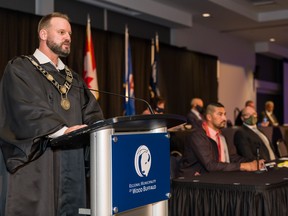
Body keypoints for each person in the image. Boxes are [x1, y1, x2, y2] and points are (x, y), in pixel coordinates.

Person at [0, 12, 104, 216]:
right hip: (37, 163)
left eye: (70, 34)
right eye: (62, 32)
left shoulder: (73, 79)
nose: (68, 37)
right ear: (43, 34)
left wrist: (100, 131)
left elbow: (92, 113)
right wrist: (62, 131)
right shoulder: (20, 68)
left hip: (71, 164)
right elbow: (25, 109)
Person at [179, 102, 262, 177]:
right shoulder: (197, 136)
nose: (224, 118)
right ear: (209, 117)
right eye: (220, 114)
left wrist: (253, 161)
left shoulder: (221, 135)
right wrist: (244, 166)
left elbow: (230, 157)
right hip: (192, 181)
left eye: (225, 114)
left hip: (214, 177)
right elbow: (210, 165)